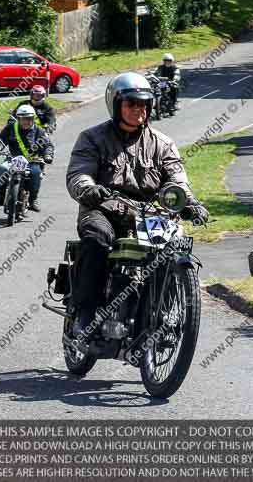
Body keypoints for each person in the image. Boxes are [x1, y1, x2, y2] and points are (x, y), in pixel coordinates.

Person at [66, 72, 209, 339]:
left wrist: (189, 203)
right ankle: (86, 311)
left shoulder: (163, 144)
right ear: (116, 104)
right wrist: (90, 189)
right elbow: (78, 173)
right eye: (131, 103)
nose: (138, 109)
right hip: (103, 209)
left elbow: (177, 180)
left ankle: (159, 309)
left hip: (149, 214)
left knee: (172, 247)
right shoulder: (92, 138)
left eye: (143, 103)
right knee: (98, 238)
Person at [0, 104, 54, 212]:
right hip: (13, 159)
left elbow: (48, 145)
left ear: (33, 118)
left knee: (36, 173)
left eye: (29, 118)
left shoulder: (39, 131)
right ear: (18, 118)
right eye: (23, 119)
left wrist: (48, 155)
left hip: (32, 161)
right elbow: (1, 140)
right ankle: (1, 196)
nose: (26, 121)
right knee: (2, 169)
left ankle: (33, 200)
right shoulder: (11, 128)